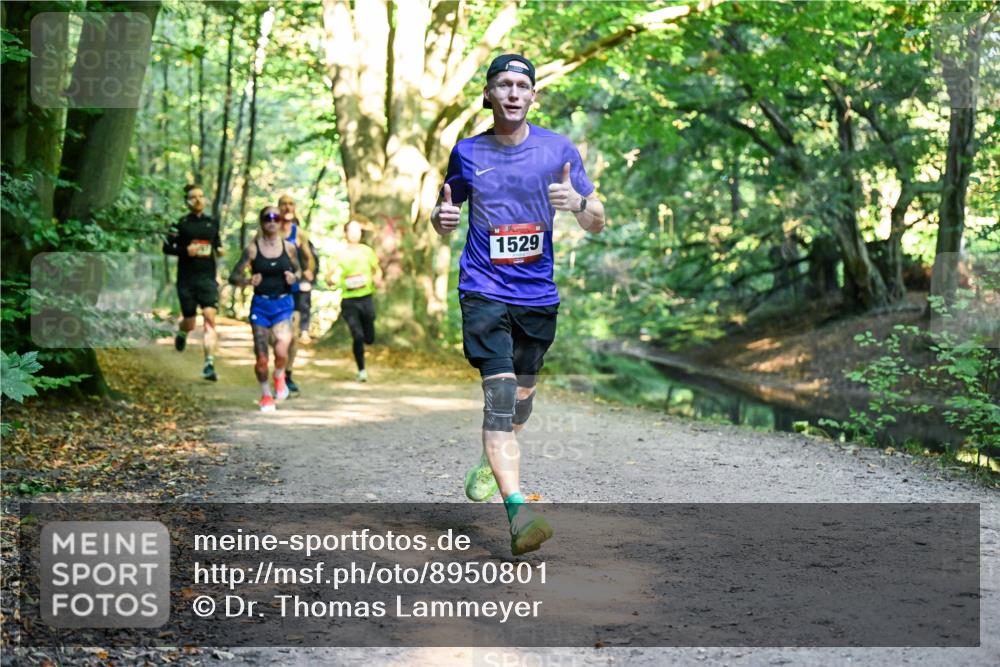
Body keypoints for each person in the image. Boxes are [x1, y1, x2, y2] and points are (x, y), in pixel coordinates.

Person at [430, 54, 606, 556]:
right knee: (501, 396)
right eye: (502, 84)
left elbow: (598, 218)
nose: (512, 92)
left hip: (537, 295)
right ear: (488, 94)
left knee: (522, 398)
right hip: (483, 289)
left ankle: (490, 463)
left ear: (533, 96)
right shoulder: (466, 153)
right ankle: (517, 509)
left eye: (521, 85)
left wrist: (578, 206)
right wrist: (440, 219)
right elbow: (447, 207)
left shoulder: (558, 150)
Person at [228, 207, 302, 412]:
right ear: (261, 222)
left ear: (280, 222)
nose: (272, 221)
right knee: (261, 359)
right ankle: (266, 394)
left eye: (275, 218)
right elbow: (233, 277)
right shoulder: (252, 249)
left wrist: (293, 277)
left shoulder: (289, 248)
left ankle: (279, 376)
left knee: (281, 349)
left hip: (283, 304)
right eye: (267, 218)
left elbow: (299, 270)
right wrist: (248, 280)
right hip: (261, 305)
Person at [163, 183, 224, 381]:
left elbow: (217, 244)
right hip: (187, 279)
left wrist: (220, 250)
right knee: (190, 323)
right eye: (193, 197)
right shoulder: (179, 224)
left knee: (209, 318)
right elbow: (166, 248)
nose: (198, 200)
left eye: (201, 196)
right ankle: (182, 333)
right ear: (187, 202)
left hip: (207, 278)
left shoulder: (212, 223)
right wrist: (184, 251)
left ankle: (209, 364)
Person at [326, 218, 383, 382]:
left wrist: (378, 279)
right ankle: (362, 370)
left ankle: (368, 340)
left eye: (358, 230)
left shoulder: (367, 251)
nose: (355, 233)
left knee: (369, 338)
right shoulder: (339, 253)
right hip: (349, 300)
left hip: (366, 298)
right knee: (357, 336)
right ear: (346, 234)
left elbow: (377, 270)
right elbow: (330, 274)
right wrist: (330, 280)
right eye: (351, 230)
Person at [276, 194, 317, 393]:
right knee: (275, 335)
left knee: (292, 334)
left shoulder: (298, 233)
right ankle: (279, 368)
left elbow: (309, 258)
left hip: (295, 289)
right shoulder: (269, 229)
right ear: (278, 207)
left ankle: (288, 373)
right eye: (283, 204)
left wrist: (308, 271)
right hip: (273, 289)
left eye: (291, 203)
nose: (287, 207)